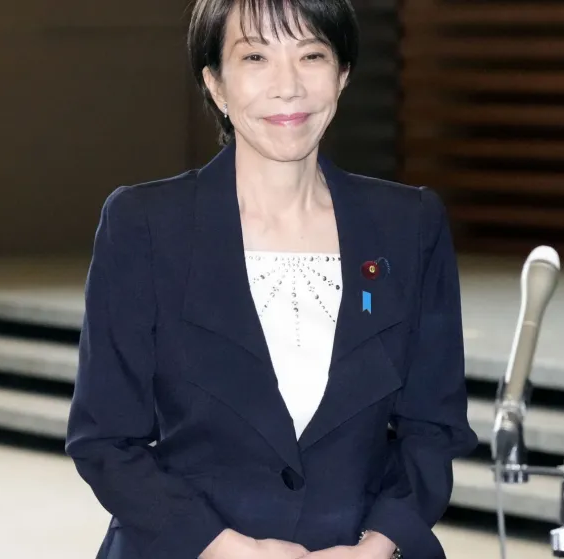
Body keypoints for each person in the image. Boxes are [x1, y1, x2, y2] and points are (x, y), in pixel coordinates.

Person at [64, 0, 479, 558]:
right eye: (256, 56)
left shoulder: (409, 224)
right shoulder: (144, 225)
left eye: (311, 55)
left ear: (344, 74)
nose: (289, 86)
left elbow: (432, 426)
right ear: (216, 83)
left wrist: (377, 547)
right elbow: (106, 440)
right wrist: (229, 549)